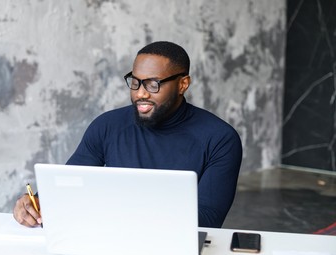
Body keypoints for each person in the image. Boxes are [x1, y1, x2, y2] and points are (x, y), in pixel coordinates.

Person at [13, 41, 242, 228]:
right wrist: (38, 204)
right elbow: (67, 186)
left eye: (153, 84)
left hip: (173, 251)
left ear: (183, 84)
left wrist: (110, 212)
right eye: (135, 82)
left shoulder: (220, 139)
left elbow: (207, 219)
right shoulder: (107, 126)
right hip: (110, 239)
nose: (140, 93)